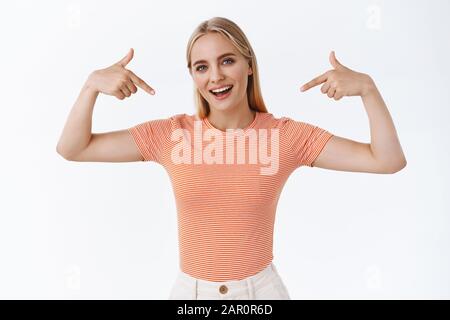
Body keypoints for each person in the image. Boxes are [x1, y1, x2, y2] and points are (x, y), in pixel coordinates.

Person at [56, 17, 407, 300]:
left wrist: (368, 90)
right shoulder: (171, 135)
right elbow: (73, 148)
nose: (216, 77)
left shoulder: (285, 137)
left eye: (227, 60)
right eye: (201, 67)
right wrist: (90, 87)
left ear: (248, 65)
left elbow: (386, 160)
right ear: (193, 76)